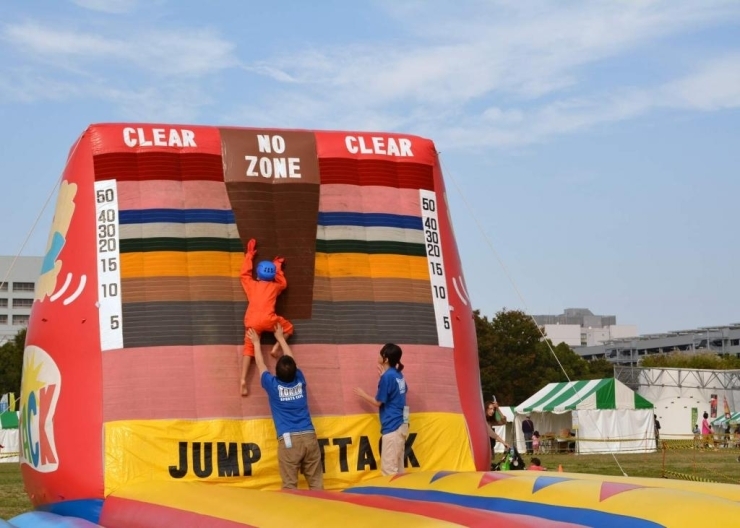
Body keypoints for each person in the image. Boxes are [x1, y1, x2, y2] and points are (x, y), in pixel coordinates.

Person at [249, 324, 322, 490]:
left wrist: (256, 342)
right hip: (309, 437)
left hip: (289, 441)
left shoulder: (273, 386)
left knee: (290, 487)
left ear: (276, 372)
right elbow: (292, 360)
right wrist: (281, 338)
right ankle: (321, 514)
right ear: (295, 371)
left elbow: (261, 365)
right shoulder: (300, 380)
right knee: (317, 485)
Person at [240, 238, 294, 396]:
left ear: (258, 274)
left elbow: (244, 274)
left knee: (248, 348)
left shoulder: (252, 285)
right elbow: (283, 283)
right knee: (289, 327)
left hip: (252, 320)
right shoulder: (275, 287)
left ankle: (243, 379)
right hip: (269, 320)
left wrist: (249, 255)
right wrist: (277, 266)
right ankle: (277, 346)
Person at [354, 343, 409, 476]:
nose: (378, 355)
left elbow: (378, 402)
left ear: (386, 359)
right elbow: (403, 390)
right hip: (402, 425)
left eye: (381, 353)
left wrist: (363, 394)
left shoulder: (387, 377)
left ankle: (392, 497)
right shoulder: (397, 374)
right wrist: (383, 378)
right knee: (399, 471)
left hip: (392, 427)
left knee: (389, 472)